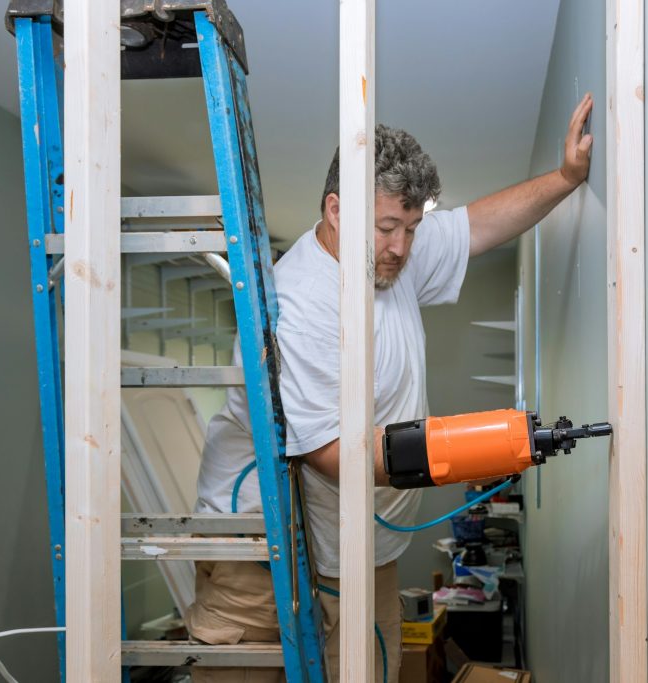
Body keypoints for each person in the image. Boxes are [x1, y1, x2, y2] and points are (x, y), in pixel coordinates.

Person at [185, 93, 595, 683]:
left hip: (362, 546)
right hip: (264, 547)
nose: (402, 246)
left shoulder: (389, 257)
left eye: (412, 226)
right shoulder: (300, 304)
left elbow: (479, 225)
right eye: (386, 228)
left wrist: (565, 178)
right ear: (335, 210)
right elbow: (332, 454)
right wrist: (460, 451)